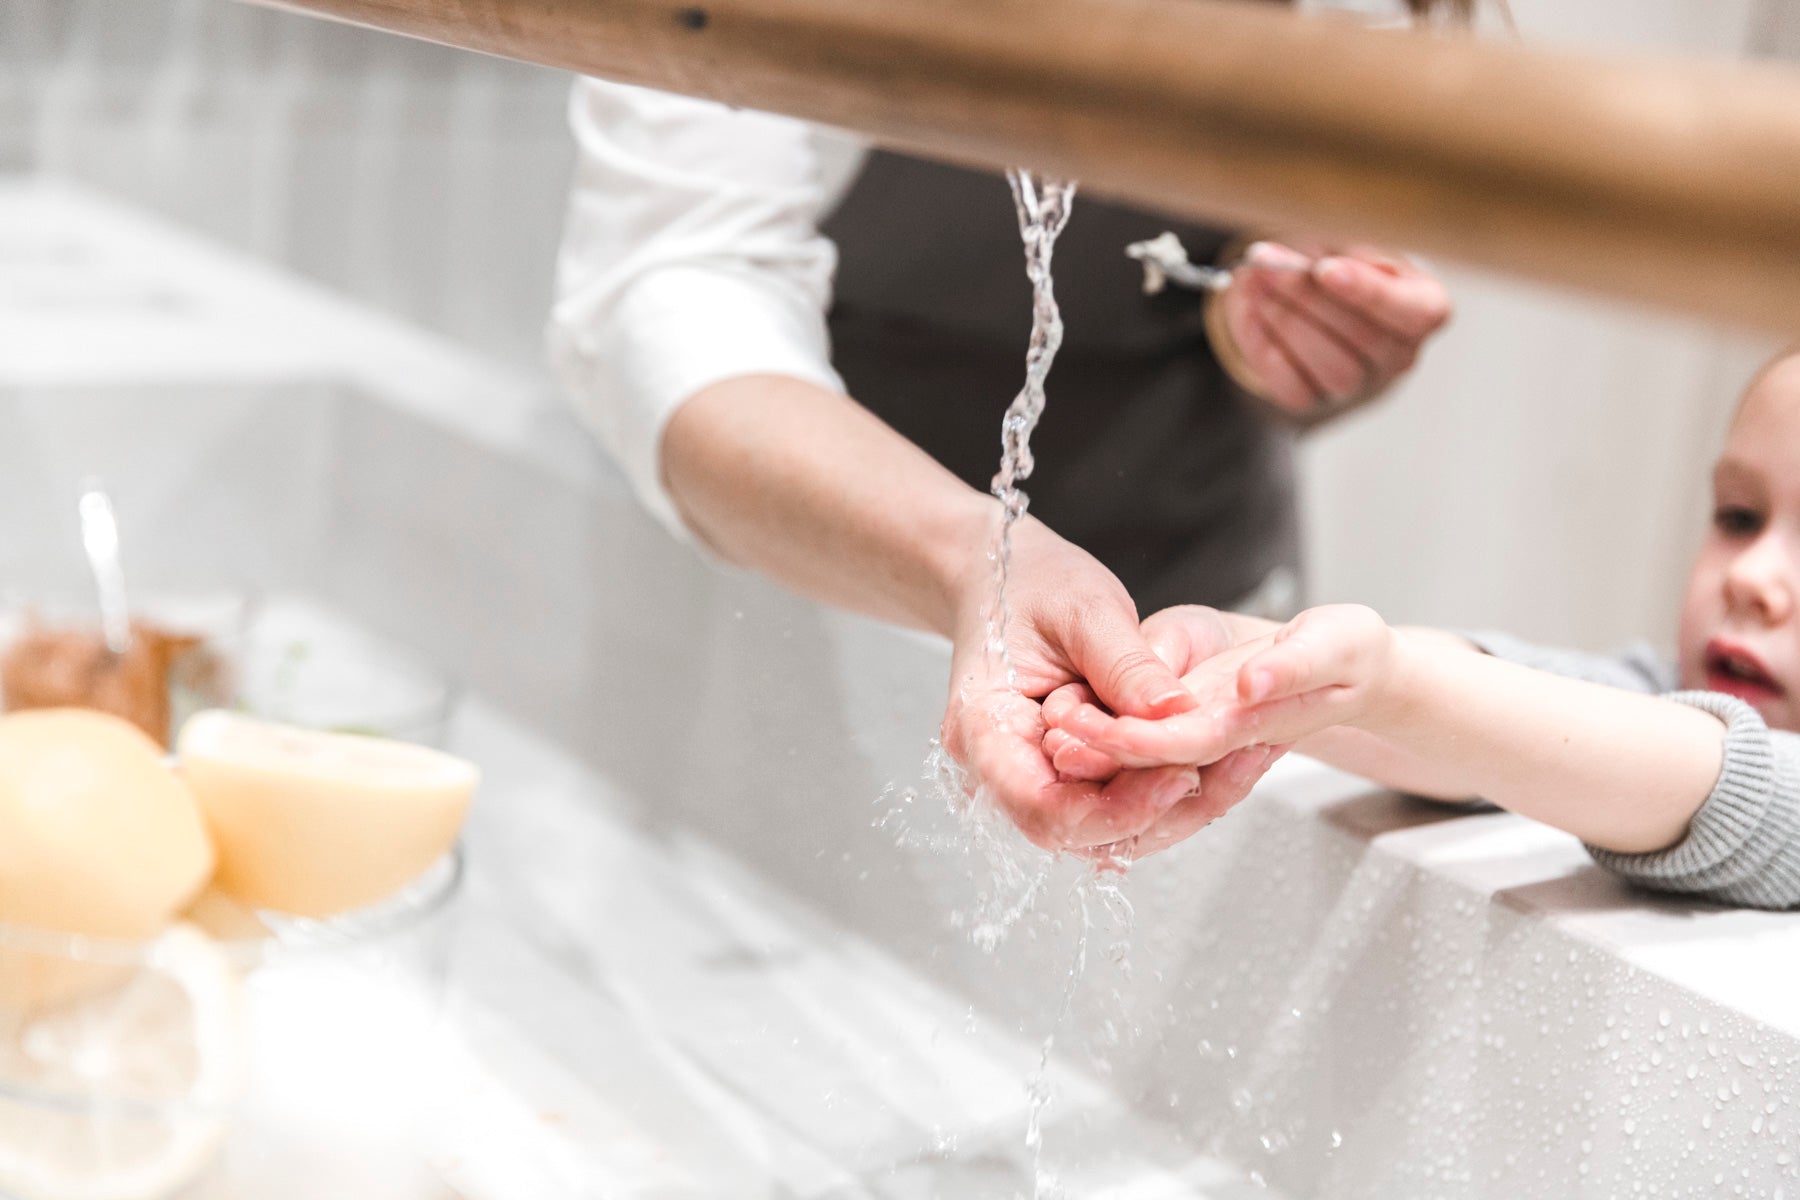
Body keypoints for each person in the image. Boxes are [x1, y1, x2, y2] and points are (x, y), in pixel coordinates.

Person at [549, 4, 1455, 858]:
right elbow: (679, 285)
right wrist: (973, 563)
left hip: (1201, 591)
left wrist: (1301, 335)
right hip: (798, 575)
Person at [1041, 351, 1800, 908]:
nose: (1752, 578)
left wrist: (1391, 684)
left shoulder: (1683, 748)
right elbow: (1497, 702)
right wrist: (1238, 654)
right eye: (1740, 517)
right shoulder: (1658, 690)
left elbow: (1722, 783)